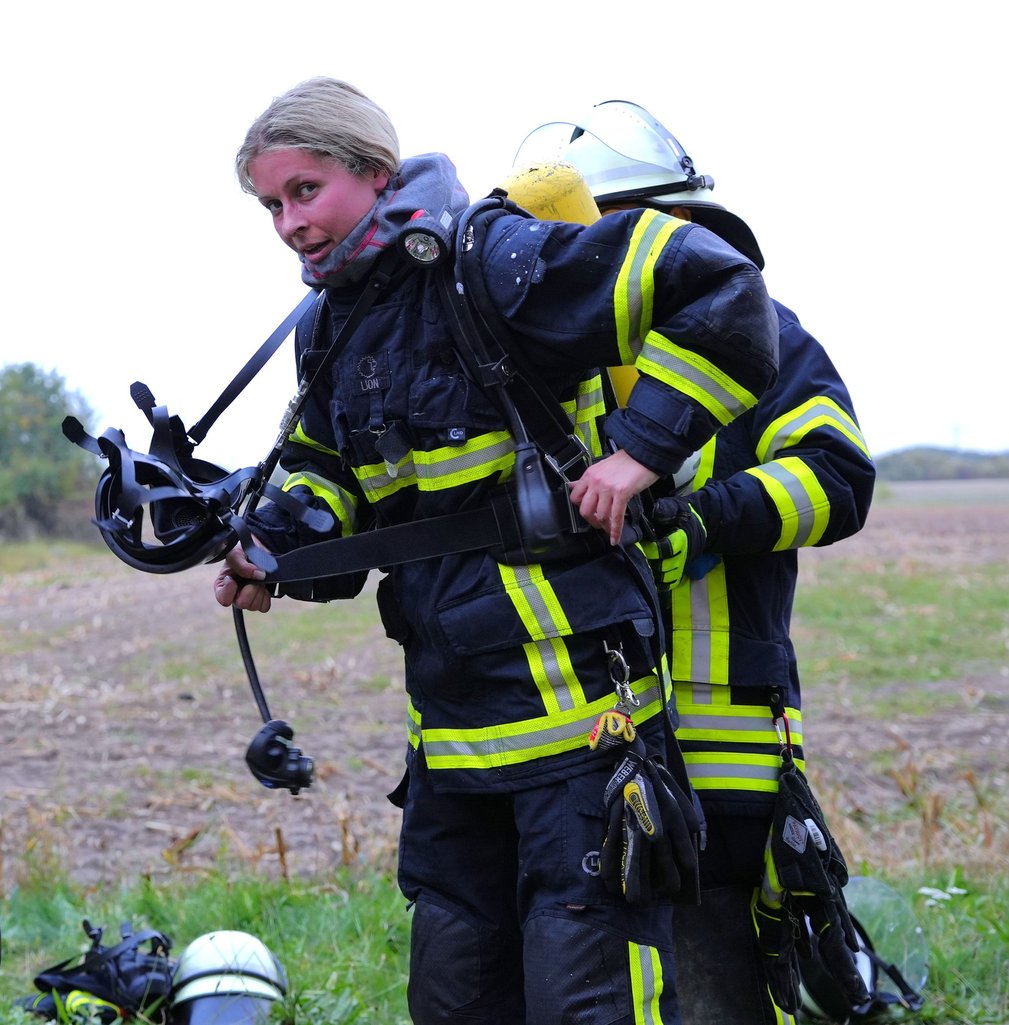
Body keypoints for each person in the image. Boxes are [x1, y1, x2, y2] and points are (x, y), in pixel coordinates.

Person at [214, 77, 779, 1025]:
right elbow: (330, 480)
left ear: (376, 173)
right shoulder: (330, 328)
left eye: (305, 191)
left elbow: (721, 287)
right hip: (451, 738)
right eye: (271, 204)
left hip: (585, 735)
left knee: (585, 998)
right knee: (456, 995)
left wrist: (640, 453)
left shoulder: (497, 261)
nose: (287, 223)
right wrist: (272, 546)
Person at [515, 101, 875, 1024]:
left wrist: (704, 520)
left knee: (716, 993)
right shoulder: (536, 368)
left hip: (723, 759)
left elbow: (837, 475)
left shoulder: (768, 337)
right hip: (573, 763)